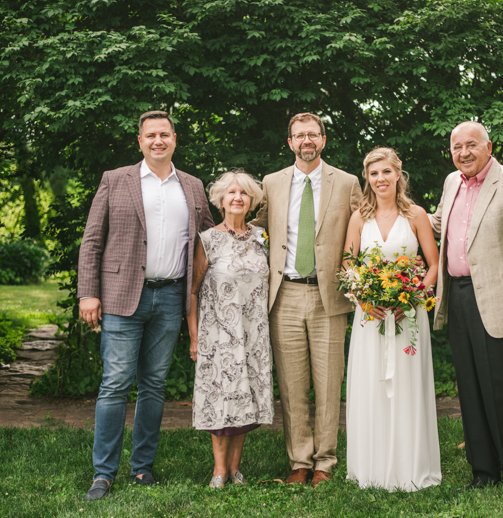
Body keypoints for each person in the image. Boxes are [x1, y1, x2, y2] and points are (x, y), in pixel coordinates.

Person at [78, 110, 214, 500]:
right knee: (115, 385)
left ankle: (142, 468)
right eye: (150, 135)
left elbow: (208, 242)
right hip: (121, 297)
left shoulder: (192, 186)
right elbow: (92, 240)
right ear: (140, 141)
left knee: (154, 386)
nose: (158, 140)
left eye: (165, 134)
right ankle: (103, 474)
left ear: (175, 139)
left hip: (171, 296)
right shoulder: (114, 180)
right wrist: (88, 292)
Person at [429, 121, 503, 499]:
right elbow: (437, 225)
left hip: (501, 302)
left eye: (471, 145)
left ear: (489, 146)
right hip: (459, 297)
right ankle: (483, 471)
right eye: (456, 147)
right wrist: (396, 207)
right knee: (470, 389)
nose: (463, 153)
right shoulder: (451, 183)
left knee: (501, 391)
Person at [251, 112, 362, 487]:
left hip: (328, 295)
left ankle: (324, 462)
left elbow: (368, 226)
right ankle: (299, 460)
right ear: (290, 143)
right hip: (283, 296)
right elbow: (257, 227)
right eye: (299, 136)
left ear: (324, 140)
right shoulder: (271, 182)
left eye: (313, 134)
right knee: (292, 385)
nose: (306, 141)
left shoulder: (347, 183)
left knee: (330, 384)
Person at [342, 147, 442, 491]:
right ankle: (370, 468)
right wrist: (362, 299)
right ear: (367, 179)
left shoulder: (416, 215)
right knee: (372, 385)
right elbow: (347, 265)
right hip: (370, 317)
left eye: (386, 172)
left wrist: (413, 296)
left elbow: (433, 265)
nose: (380, 179)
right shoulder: (359, 217)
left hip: (407, 317)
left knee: (405, 387)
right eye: (373, 174)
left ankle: (409, 467)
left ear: (398, 174)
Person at [186, 170, 275, 488]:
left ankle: (236, 469)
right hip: (218, 336)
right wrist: (195, 336)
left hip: (254, 335)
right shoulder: (207, 240)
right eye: (231, 193)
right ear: (221, 199)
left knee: (245, 402)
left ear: (252, 201)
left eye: (244, 193)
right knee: (221, 401)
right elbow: (193, 291)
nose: (237, 198)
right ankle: (218, 470)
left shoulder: (262, 237)